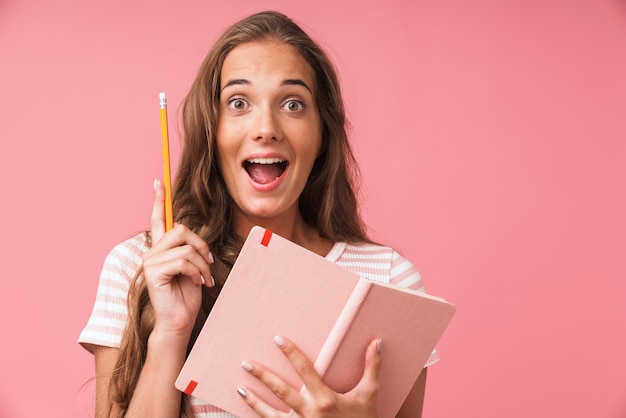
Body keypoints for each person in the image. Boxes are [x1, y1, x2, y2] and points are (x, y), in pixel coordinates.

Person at [79, 10, 437, 418]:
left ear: (322, 134)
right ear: (211, 132)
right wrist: (170, 333)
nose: (266, 127)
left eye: (292, 103)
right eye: (238, 102)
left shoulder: (390, 282)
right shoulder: (140, 267)